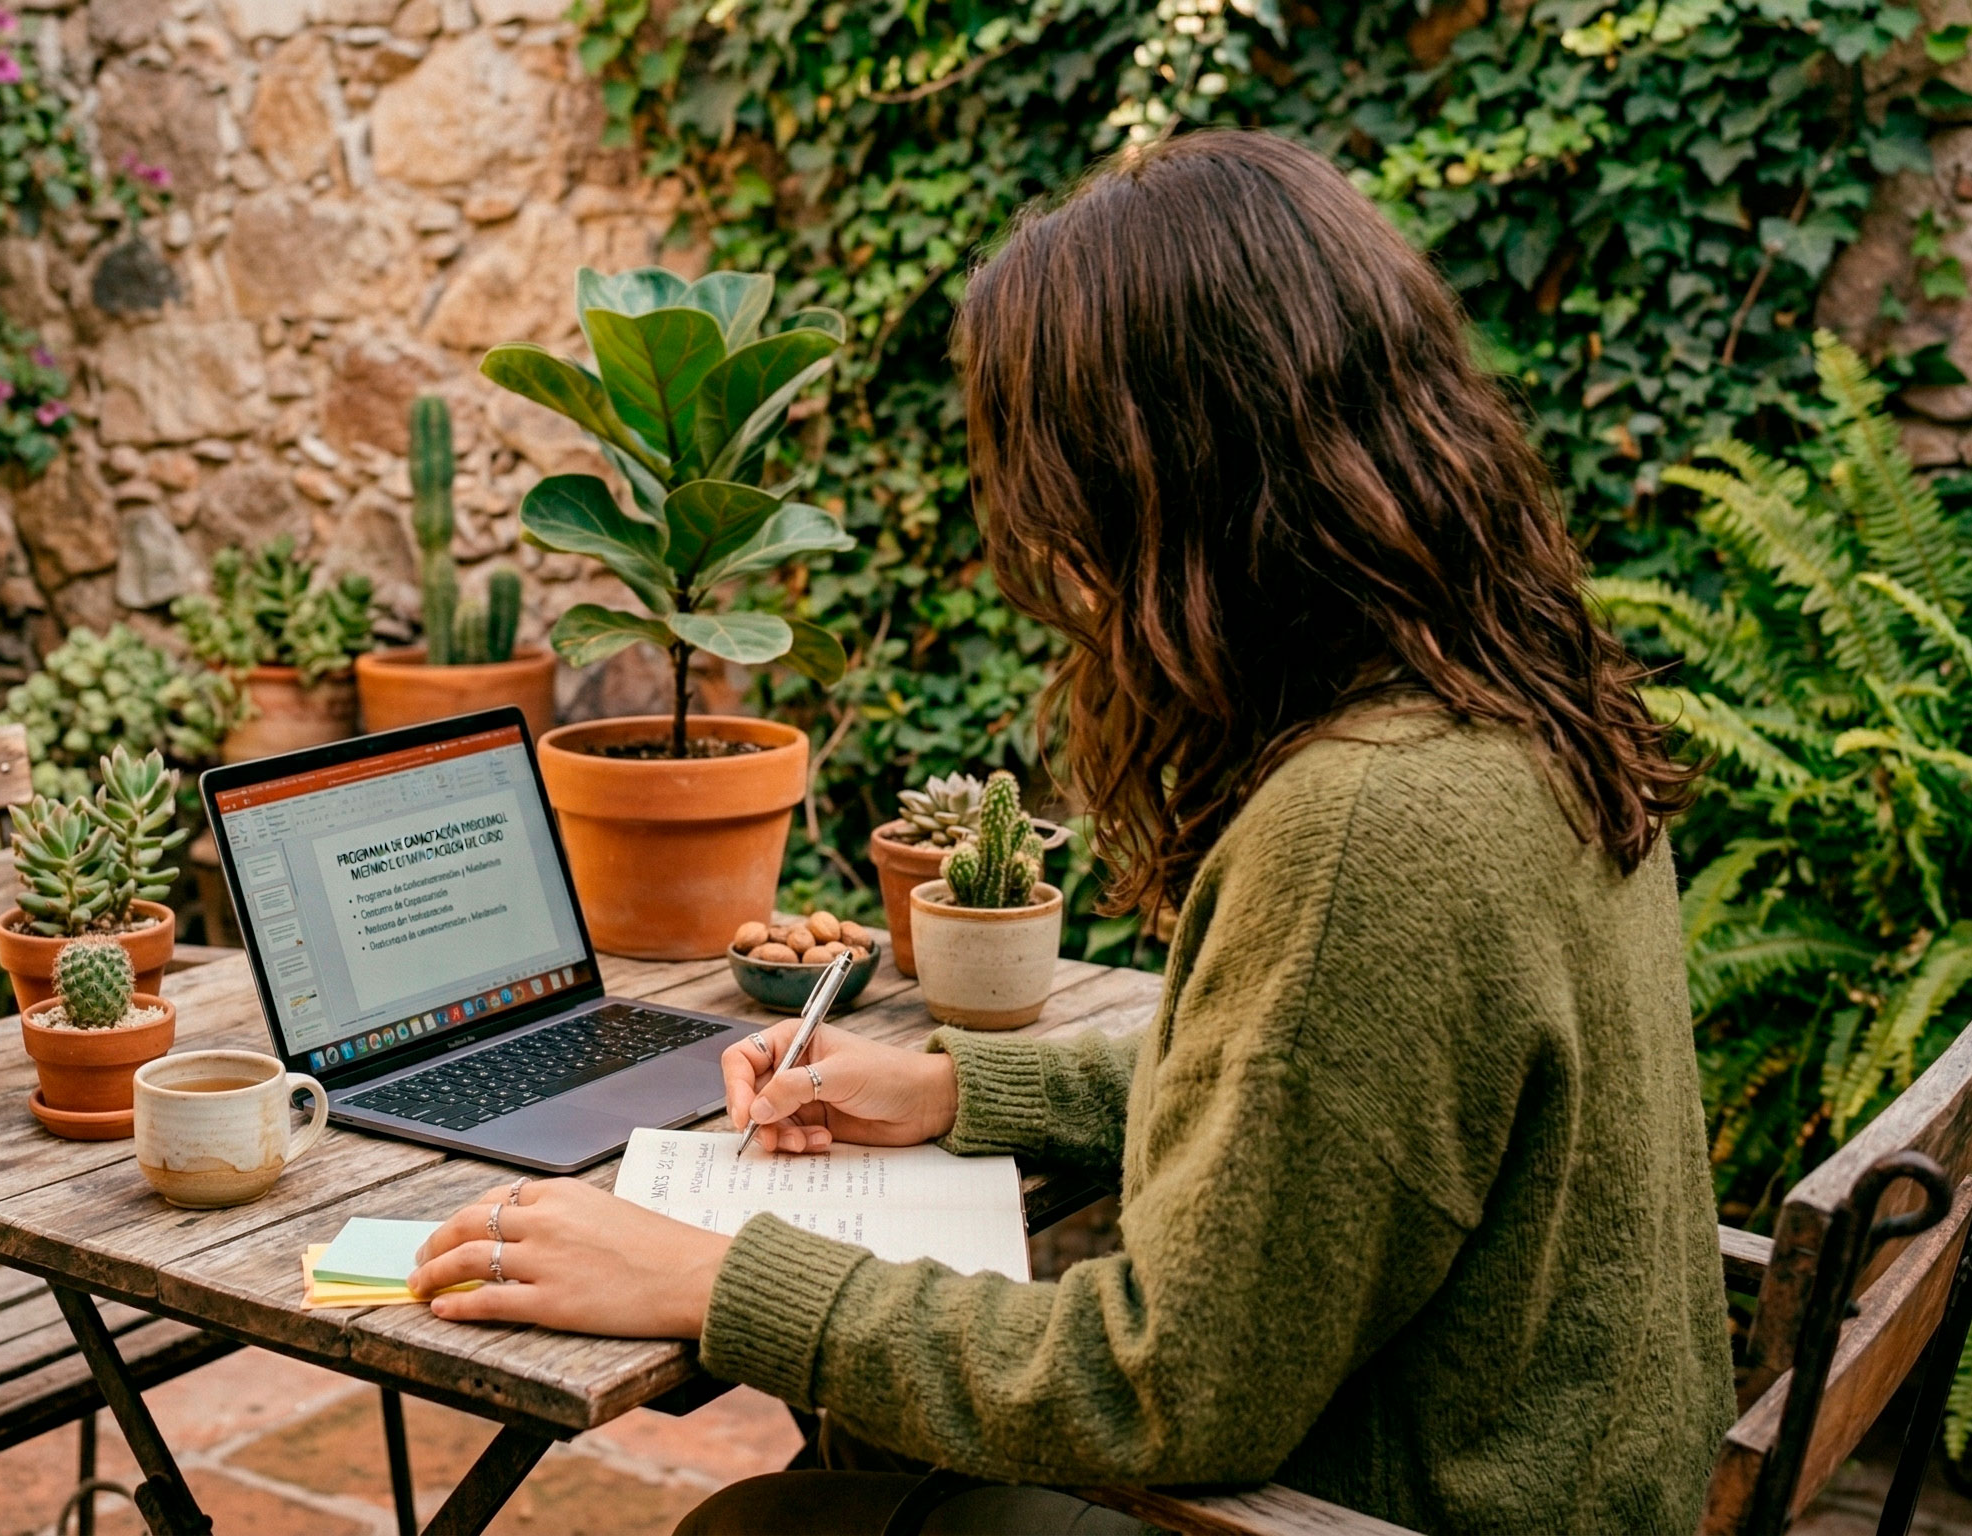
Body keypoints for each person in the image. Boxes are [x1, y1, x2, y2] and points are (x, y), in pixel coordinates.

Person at [404, 128, 1735, 1535]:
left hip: (1396, 1499)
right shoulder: (1506, 707)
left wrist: (708, 1281)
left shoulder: (1366, 824)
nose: (1051, 554)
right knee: (864, 1459)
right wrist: (966, 1092)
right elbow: (1319, 1118)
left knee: (751, 1529)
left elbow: (1173, 1384)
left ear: (1169, 483)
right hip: (1547, 1461)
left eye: (1059, 494)